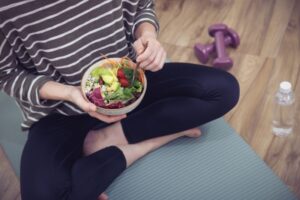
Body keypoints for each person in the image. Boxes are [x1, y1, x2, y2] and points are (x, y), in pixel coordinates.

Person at [0, 0, 239, 199]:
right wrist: (71, 93)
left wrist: (148, 36)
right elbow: (6, 75)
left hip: (131, 84)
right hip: (61, 112)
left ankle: (110, 137)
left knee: (224, 90)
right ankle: (150, 142)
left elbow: (142, 6)